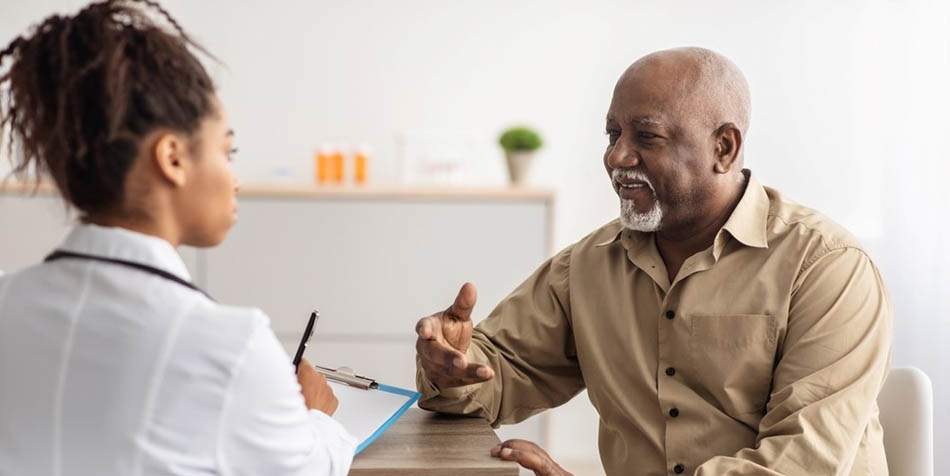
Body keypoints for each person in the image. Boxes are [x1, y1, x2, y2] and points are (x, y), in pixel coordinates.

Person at [415, 47, 893, 476]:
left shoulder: (828, 267)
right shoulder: (588, 266)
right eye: (613, 133)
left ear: (723, 148)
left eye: (647, 136)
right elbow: (502, 371)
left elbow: (800, 464)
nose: (617, 156)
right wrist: (453, 369)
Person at [0, 1, 355, 475]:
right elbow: (309, 467)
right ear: (172, 158)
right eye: (228, 151)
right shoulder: (230, 346)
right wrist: (315, 415)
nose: (236, 179)